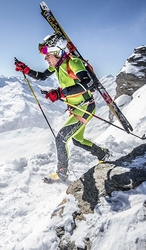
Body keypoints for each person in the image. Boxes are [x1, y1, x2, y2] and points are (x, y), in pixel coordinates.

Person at [14, 33, 109, 182]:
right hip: (77, 108)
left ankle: (62, 173)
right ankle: (103, 154)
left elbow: (88, 83)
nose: (45, 58)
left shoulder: (74, 63)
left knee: (61, 139)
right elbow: (41, 76)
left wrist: (60, 93)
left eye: (47, 54)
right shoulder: (57, 66)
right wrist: (26, 70)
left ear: (57, 53)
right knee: (77, 140)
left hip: (85, 107)